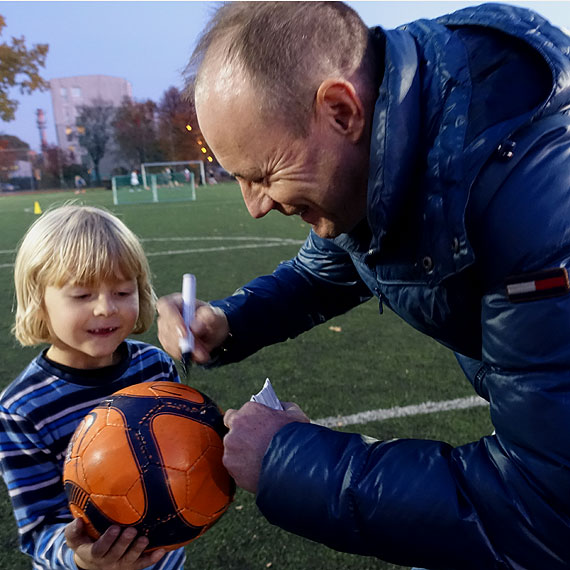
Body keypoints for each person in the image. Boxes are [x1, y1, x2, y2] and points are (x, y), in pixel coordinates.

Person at [156, 2, 570, 569]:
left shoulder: (537, 206)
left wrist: (284, 458)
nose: (253, 206)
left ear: (340, 110)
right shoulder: (393, 120)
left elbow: (543, 510)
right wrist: (227, 321)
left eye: (262, 173)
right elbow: (326, 270)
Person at [0, 205, 185, 570]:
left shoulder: (156, 368)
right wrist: (82, 559)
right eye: (82, 295)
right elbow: (38, 529)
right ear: (39, 302)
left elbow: (185, 457)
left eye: (121, 291)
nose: (105, 308)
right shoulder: (22, 409)